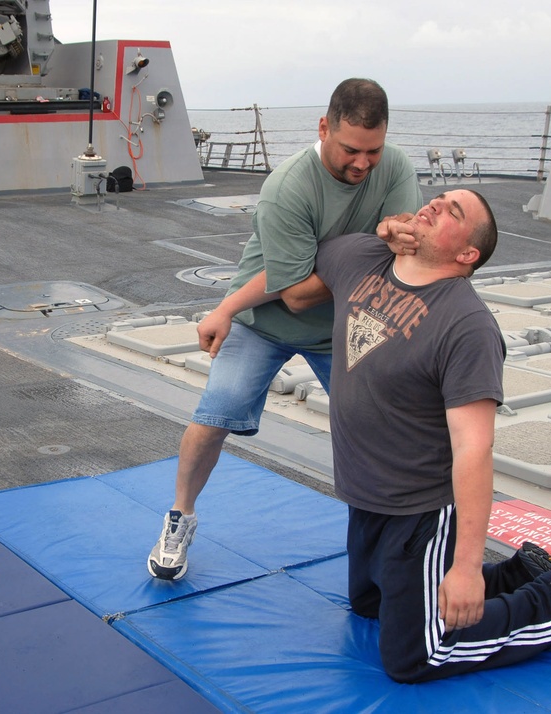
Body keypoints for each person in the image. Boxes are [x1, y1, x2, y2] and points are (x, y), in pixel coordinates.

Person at [207, 189, 551, 681]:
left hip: (419, 506)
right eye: (439, 198)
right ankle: (520, 573)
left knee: (416, 654)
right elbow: (289, 272)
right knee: (369, 605)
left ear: (466, 255)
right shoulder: (365, 257)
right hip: (366, 495)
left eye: (453, 212)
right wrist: (226, 308)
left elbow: (474, 447)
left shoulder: (466, 325)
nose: (436, 205)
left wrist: (465, 566)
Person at [148, 78, 423, 581]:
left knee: (379, 432)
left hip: (341, 325)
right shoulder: (288, 187)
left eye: (373, 151)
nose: (362, 164)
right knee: (215, 416)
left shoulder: (396, 167)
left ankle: (387, 545)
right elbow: (293, 291)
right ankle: (180, 515)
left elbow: (404, 238)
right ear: (323, 128)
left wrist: (393, 235)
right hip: (267, 320)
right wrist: (374, 246)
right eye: (350, 150)